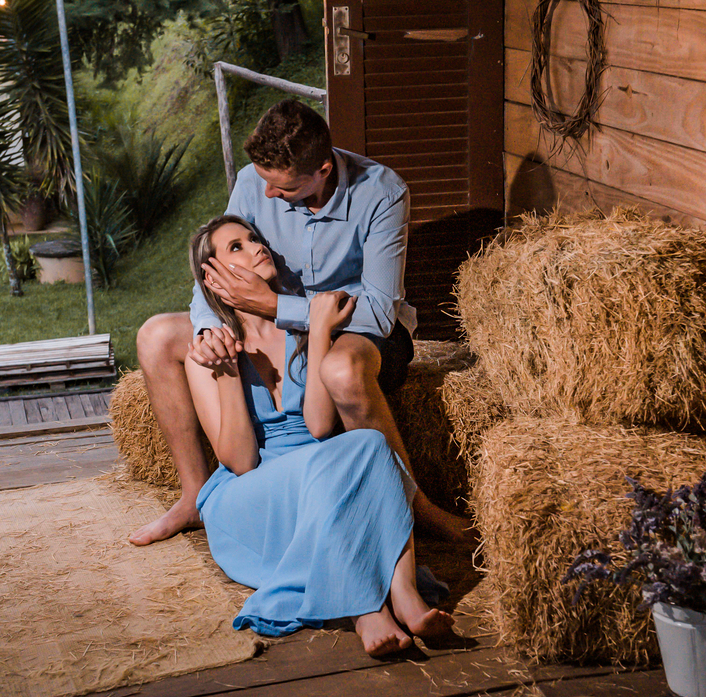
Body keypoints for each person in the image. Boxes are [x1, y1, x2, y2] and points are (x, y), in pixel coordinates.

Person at [129, 99, 468, 547]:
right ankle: (194, 496)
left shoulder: (383, 193)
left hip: (356, 328)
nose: (266, 194)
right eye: (264, 181)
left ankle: (414, 506)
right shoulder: (255, 181)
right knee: (155, 336)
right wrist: (210, 325)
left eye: (281, 187)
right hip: (275, 326)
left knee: (342, 371)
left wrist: (277, 307)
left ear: (322, 171)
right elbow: (214, 265)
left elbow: (381, 311)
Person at [185, 215, 454, 656]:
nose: (256, 246)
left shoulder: (305, 322)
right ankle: (370, 611)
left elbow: (319, 426)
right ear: (212, 277)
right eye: (236, 246)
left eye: (254, 237)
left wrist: (320, 331)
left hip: (320, 468)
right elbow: (239, 461)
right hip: (251, 494)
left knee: (370, 445)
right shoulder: (207, 352)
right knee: (356, 455)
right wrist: (228, 373)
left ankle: (402, 597)